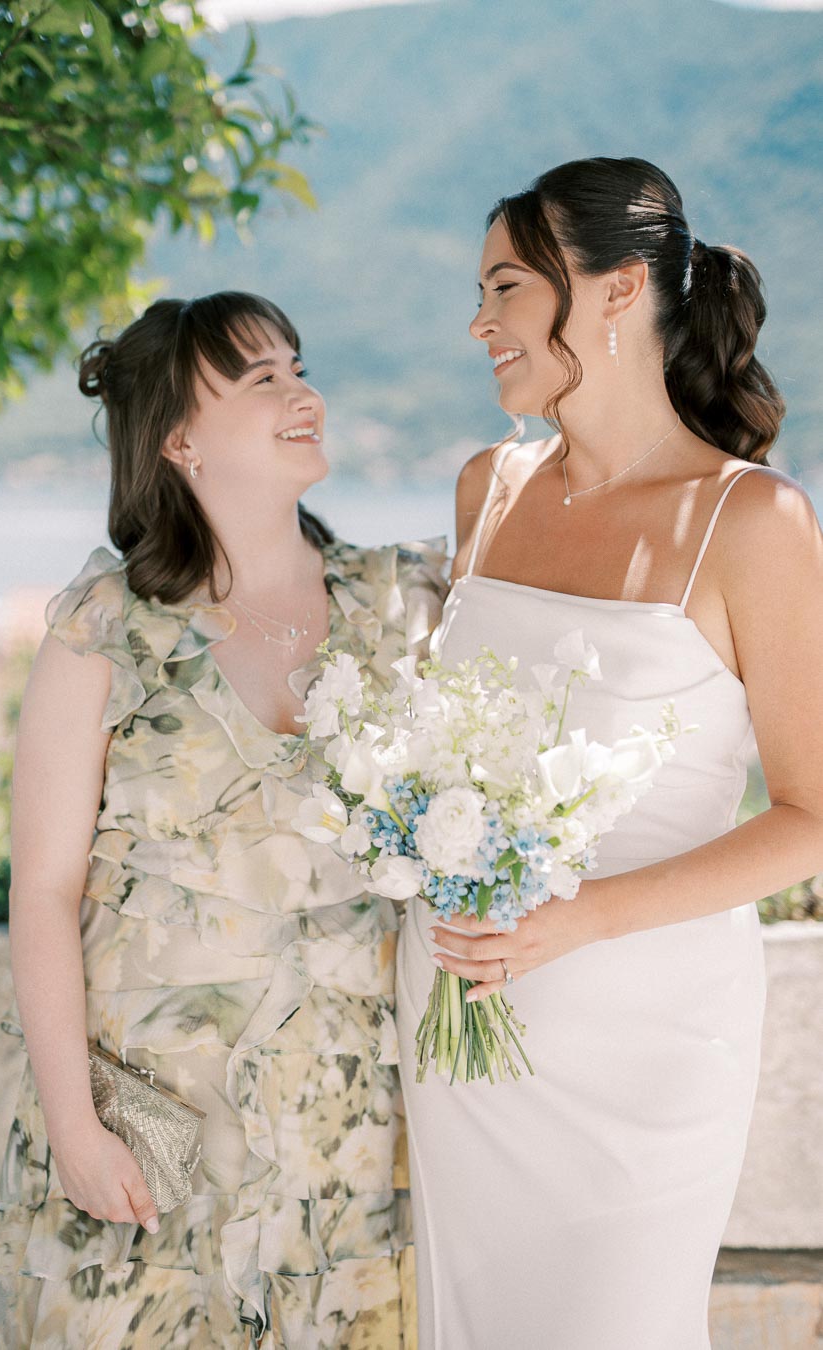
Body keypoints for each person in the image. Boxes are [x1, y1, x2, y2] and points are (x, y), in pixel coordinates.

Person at [395, 157, 823, 1349]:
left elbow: (812, 816)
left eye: (508, 288)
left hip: (644, 1041)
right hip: (462, 1015)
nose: (479, 323)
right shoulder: (487, 486)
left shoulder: (754, 521)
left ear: (620, 289)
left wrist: (579, 920)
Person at [0, 291, 445, 1348]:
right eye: (260, 377)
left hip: (344, 1142)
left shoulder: (401, 603)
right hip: (148, 1133)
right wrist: (74, 1127)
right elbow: (42, 889)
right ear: (179, 438)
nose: (301, 392)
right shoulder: (103, 626)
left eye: (298, 365)